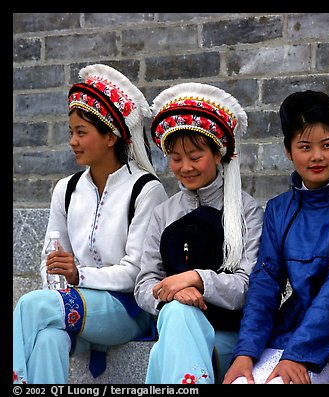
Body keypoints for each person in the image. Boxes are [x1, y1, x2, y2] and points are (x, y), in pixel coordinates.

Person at [12, 64, 169, 384]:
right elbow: (50, 261)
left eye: (81, 132)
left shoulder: (146, 190)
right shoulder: (66, 190)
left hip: (127, 312)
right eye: (71, 132)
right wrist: (61, 281)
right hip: (73, 305)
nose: (73, 141)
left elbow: (135, 273)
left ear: (110, 136)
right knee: (47, 340)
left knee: (32, 306)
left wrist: (78, 274)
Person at [222, 90, 329, 384]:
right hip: (287, 338)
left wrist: (298, 354)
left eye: (327, 145)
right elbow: (265, 284)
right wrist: (245, 352)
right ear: (288, 151)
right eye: (305, 147)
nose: (317, 156)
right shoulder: (278, 210)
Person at [134, 82, 264, 384]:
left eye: (195, 156)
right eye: (176, 158)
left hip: (225, 334)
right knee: (179, 313)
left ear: (218, 155)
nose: (185, 167)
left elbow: (249, 286)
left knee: (162, 353)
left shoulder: (246, 211)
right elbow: (144, 284)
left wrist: (197, 278)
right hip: (175, 323)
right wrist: (176, 294)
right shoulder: (163, 213)